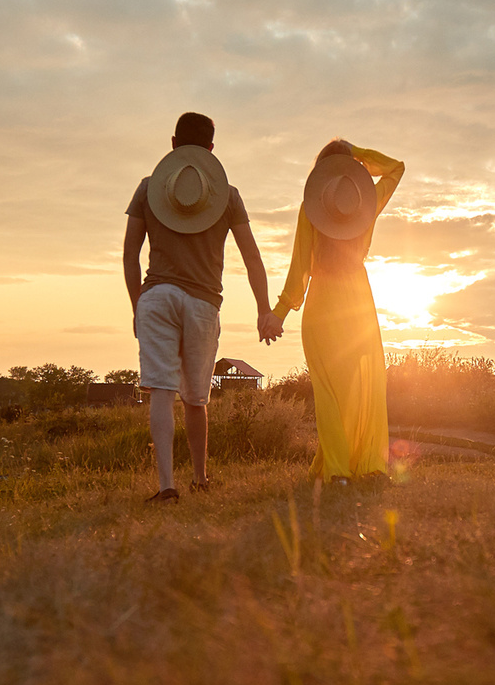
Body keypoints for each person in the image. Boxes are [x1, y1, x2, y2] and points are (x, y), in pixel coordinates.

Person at [124, 112, 283, 502]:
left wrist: (136, 306)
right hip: (202, 304)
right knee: (195, 398)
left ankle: (166, 486)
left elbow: (130, 255)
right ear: (212, 150)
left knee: (161, 392)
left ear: (173, 144)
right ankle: (200, 477)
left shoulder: (148, 189)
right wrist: (264, 309)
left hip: (157, 297)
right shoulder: (227, 196)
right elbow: (253, 258)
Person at [273, 139, 405, 482]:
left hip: (323, 303)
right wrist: (358, 156)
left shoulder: (311, 209)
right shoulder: (366, 203)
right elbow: (395, 168)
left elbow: (299, 269)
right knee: (362, 386)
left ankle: (337, 469)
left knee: (329, 392)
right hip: (357, 300)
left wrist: (278, 313)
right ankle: (365, 464)